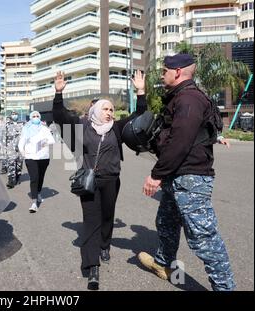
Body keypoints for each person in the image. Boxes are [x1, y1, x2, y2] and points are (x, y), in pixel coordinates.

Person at [139, 53, 235, 291]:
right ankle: (164, 264)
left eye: (165, 71)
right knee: (166, 222)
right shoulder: (184, 97)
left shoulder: (189, 99)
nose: (162, 75)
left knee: (204, 238)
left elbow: (179, 142)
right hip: (178, 175)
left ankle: (225, 288)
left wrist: (156, 174)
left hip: (189, 178)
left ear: (178, 72)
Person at [52, 70, 147, 290]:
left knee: (107, 216)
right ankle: (92, 266)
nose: (109, 112)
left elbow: (139, 116)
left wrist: (141, 92)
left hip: (112, 180)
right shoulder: (82, 127)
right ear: (95, 110)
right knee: (91, 221)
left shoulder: (116, 128)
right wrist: (58, 94)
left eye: (112, 109)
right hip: (89, 181)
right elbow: (60, 117)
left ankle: (105, 245)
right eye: (105, 108)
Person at [18, 111, 55, 213]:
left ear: (40, 117)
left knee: (40, 177)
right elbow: (21, 142)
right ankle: (34, 203)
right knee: (34, 178)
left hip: (44, 157)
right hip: (30, 157)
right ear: (30, 117)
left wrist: (41, 144)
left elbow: (52, 140)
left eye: (37, 116)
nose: (35, 117)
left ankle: (38, 192)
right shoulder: (26, 128)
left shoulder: (44, 128)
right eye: (33, 116)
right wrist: (23, 153)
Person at [2, 111, 24, 189]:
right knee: (11, 164)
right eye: (13, 114)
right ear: (11, 116)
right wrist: (4, 148)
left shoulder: (22, 124)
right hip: (10, 147)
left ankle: (18, 177)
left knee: (19, 165)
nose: (14, 116)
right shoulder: (7, 125)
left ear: (18, 115)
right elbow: (4, 136)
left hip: (20, 148)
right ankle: (11, 181)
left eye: (16, 114)